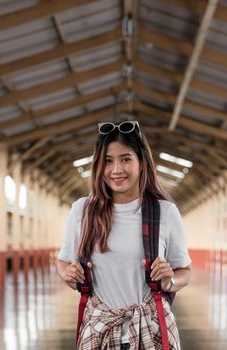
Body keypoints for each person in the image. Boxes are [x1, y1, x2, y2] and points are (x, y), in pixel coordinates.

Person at [56, 120, 192, 349]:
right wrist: (68, 273)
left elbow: (185, 272)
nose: (116, 170)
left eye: (126, 159)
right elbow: (62, 262)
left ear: (142, 162)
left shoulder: (165, 212)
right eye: (108, 161)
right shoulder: (82, 211)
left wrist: (169, 282)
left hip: (152, 329)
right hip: (99, 330)